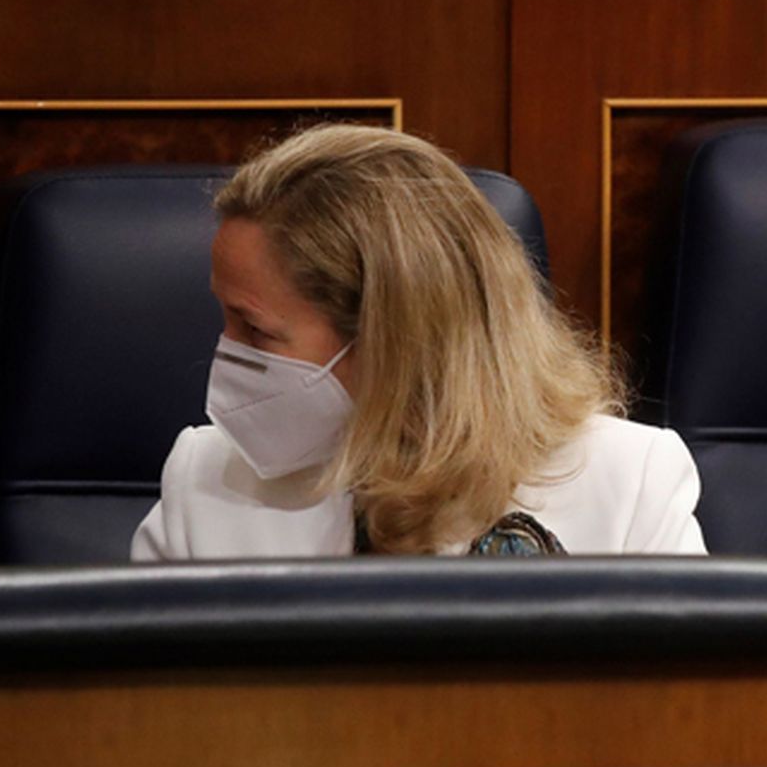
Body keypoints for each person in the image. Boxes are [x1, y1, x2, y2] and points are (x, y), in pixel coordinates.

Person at [133, 125, 705, 559]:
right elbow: (136, 713)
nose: (226, 351)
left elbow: (684, 714)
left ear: (395, 344)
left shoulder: (631, 484)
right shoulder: (204, 479)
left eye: (255, 329)